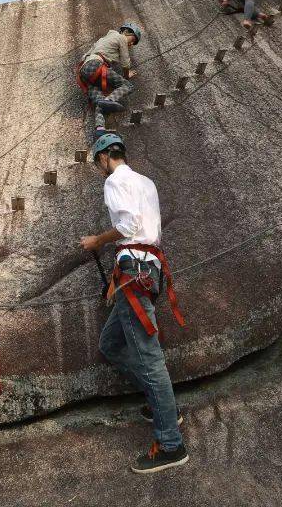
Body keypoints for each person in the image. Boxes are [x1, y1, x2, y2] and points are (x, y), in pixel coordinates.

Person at [78, 133, 189, 474]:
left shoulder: (114, 181)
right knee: (110, 344)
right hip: (149, 267)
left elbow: (127, 225)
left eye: (98, 164)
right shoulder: (146, 181)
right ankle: (163, 406)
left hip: (134, 269)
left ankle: (170, 443)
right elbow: (146, 226)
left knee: (149, 357)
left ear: (102, 159)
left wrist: (97, 239)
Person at [75, 22, 143, 136]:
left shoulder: (102, 40)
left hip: (84, 72)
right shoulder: (121, 37)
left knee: (99, 102)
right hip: (96, 65)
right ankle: (108, 101)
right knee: (128, 86)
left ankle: (100, 128)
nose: (131, 43)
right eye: (132, 39)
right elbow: (125, 62)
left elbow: (84, 57)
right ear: (127, 32)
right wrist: (127, 75)